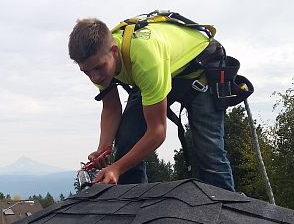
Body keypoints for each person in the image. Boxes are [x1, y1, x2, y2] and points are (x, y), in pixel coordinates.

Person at [68, 17, 235, 191]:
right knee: (126, 143)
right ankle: (133, 207)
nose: (95, 77)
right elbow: (111, 108)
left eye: (98, 68)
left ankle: (229, 212)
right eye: (86, 72)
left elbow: (157, 132)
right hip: (160, 71)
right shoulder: (100, 60)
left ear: (115, 51)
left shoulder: (144, 58)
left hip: (199, 69)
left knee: (209, 154)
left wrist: (116, 168)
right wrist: (104, 147)